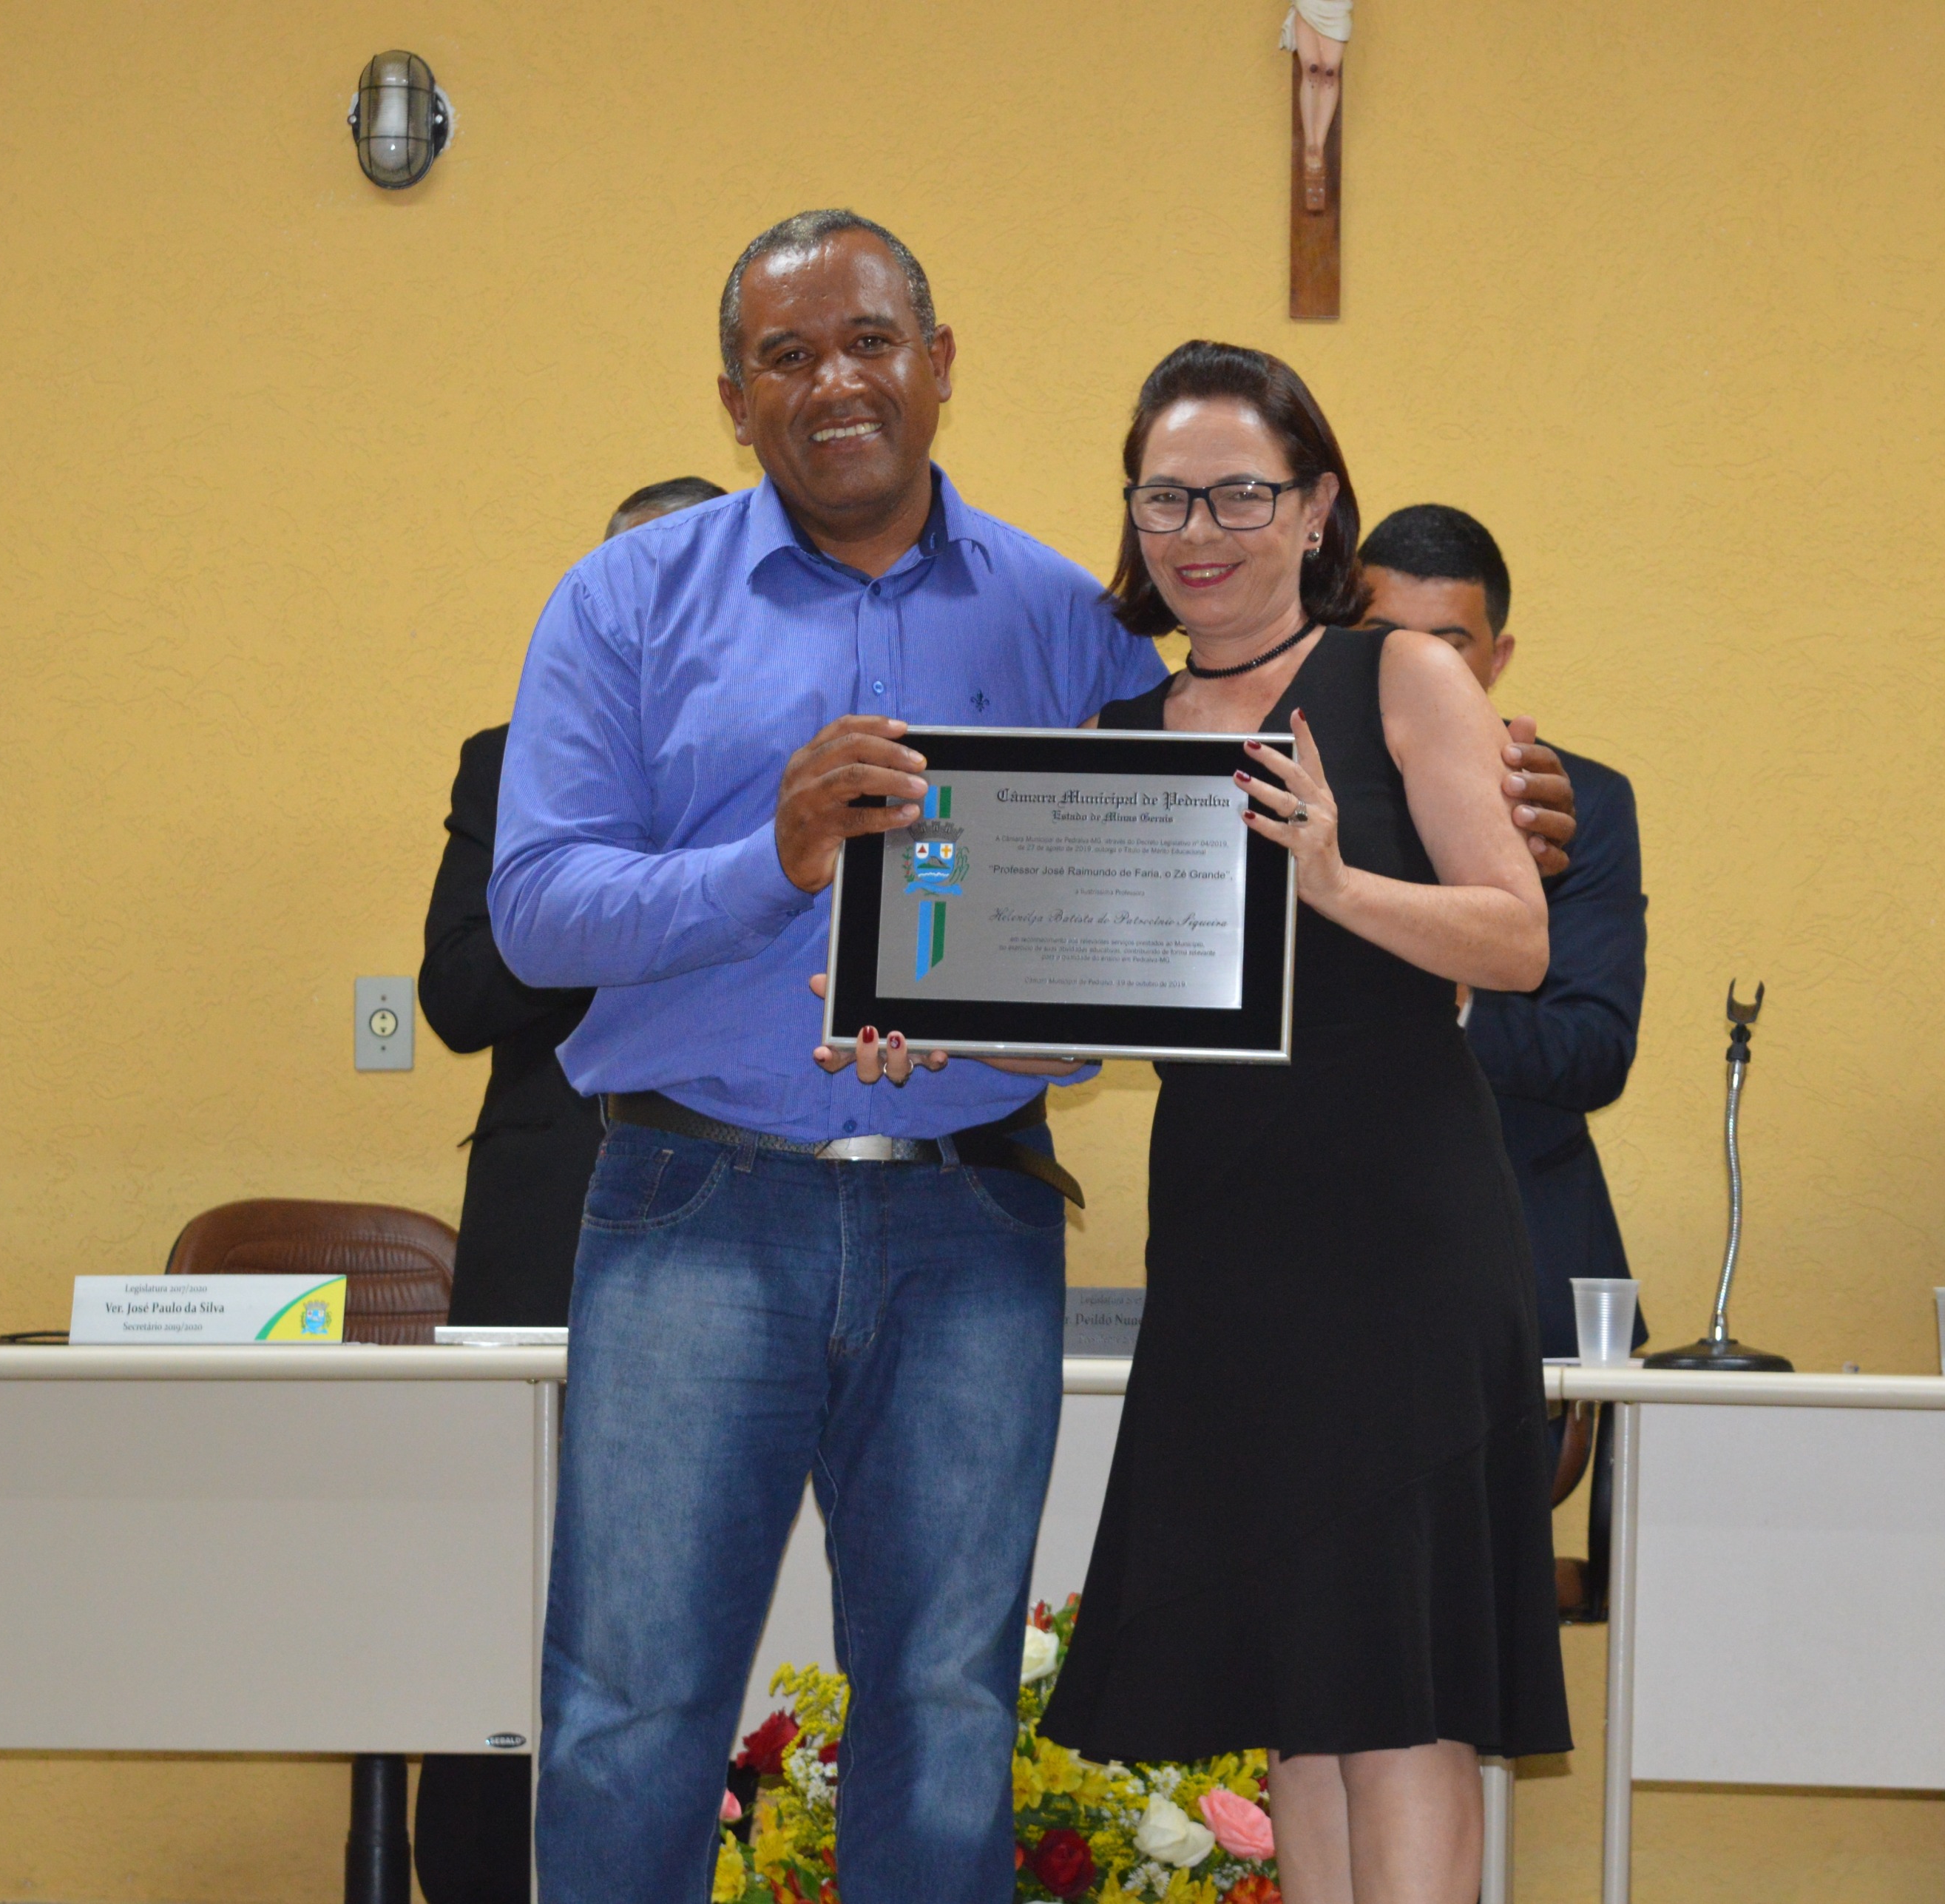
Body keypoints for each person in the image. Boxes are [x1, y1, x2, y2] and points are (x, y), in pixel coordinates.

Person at [490, 210, 1575, 1903]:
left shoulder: (1069, 626)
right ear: (731, 397)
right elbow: (534, 914)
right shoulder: (623, 602)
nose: (834, 382)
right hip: (697, 1202)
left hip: (972, 1222)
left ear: (938, 365)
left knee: (948, 1709)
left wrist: (1487, 815)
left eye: (869, 340)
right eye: (786, 355)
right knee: (629, 1708)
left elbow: (1164, 886)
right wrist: (773, 857)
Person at [1040, 342, 1572, 1904]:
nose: (1197, 532)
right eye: (1163, 499)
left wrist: (1333, 881)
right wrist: (920, 1017)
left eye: (1238, 494)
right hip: (1228, 1247)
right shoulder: (1121, 735)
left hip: (1401, 1240)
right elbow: (1075, 1027)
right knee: (1301, 1687)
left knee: (1399, 1695)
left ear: (1317, 503)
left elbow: (1517, 939)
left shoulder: (1399, 675)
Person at [408, 473, 723, 1904]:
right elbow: (460, 995)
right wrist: (640, 904)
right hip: (551, 1238)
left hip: (756, 1213)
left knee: (719, 1587)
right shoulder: (511, 762)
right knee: (511, 1593)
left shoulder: (814, 772)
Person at [1361, 502, 1647, 1621]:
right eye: (1386, 640)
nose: (1420, 669)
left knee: (1471, 1636)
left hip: (1513, 1273)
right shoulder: (1292, 792)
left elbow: (1593, 1050)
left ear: (1500, 657)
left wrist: (1448, 986)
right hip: (1316, 1261)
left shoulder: (1576, 803)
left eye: (1450, 644)